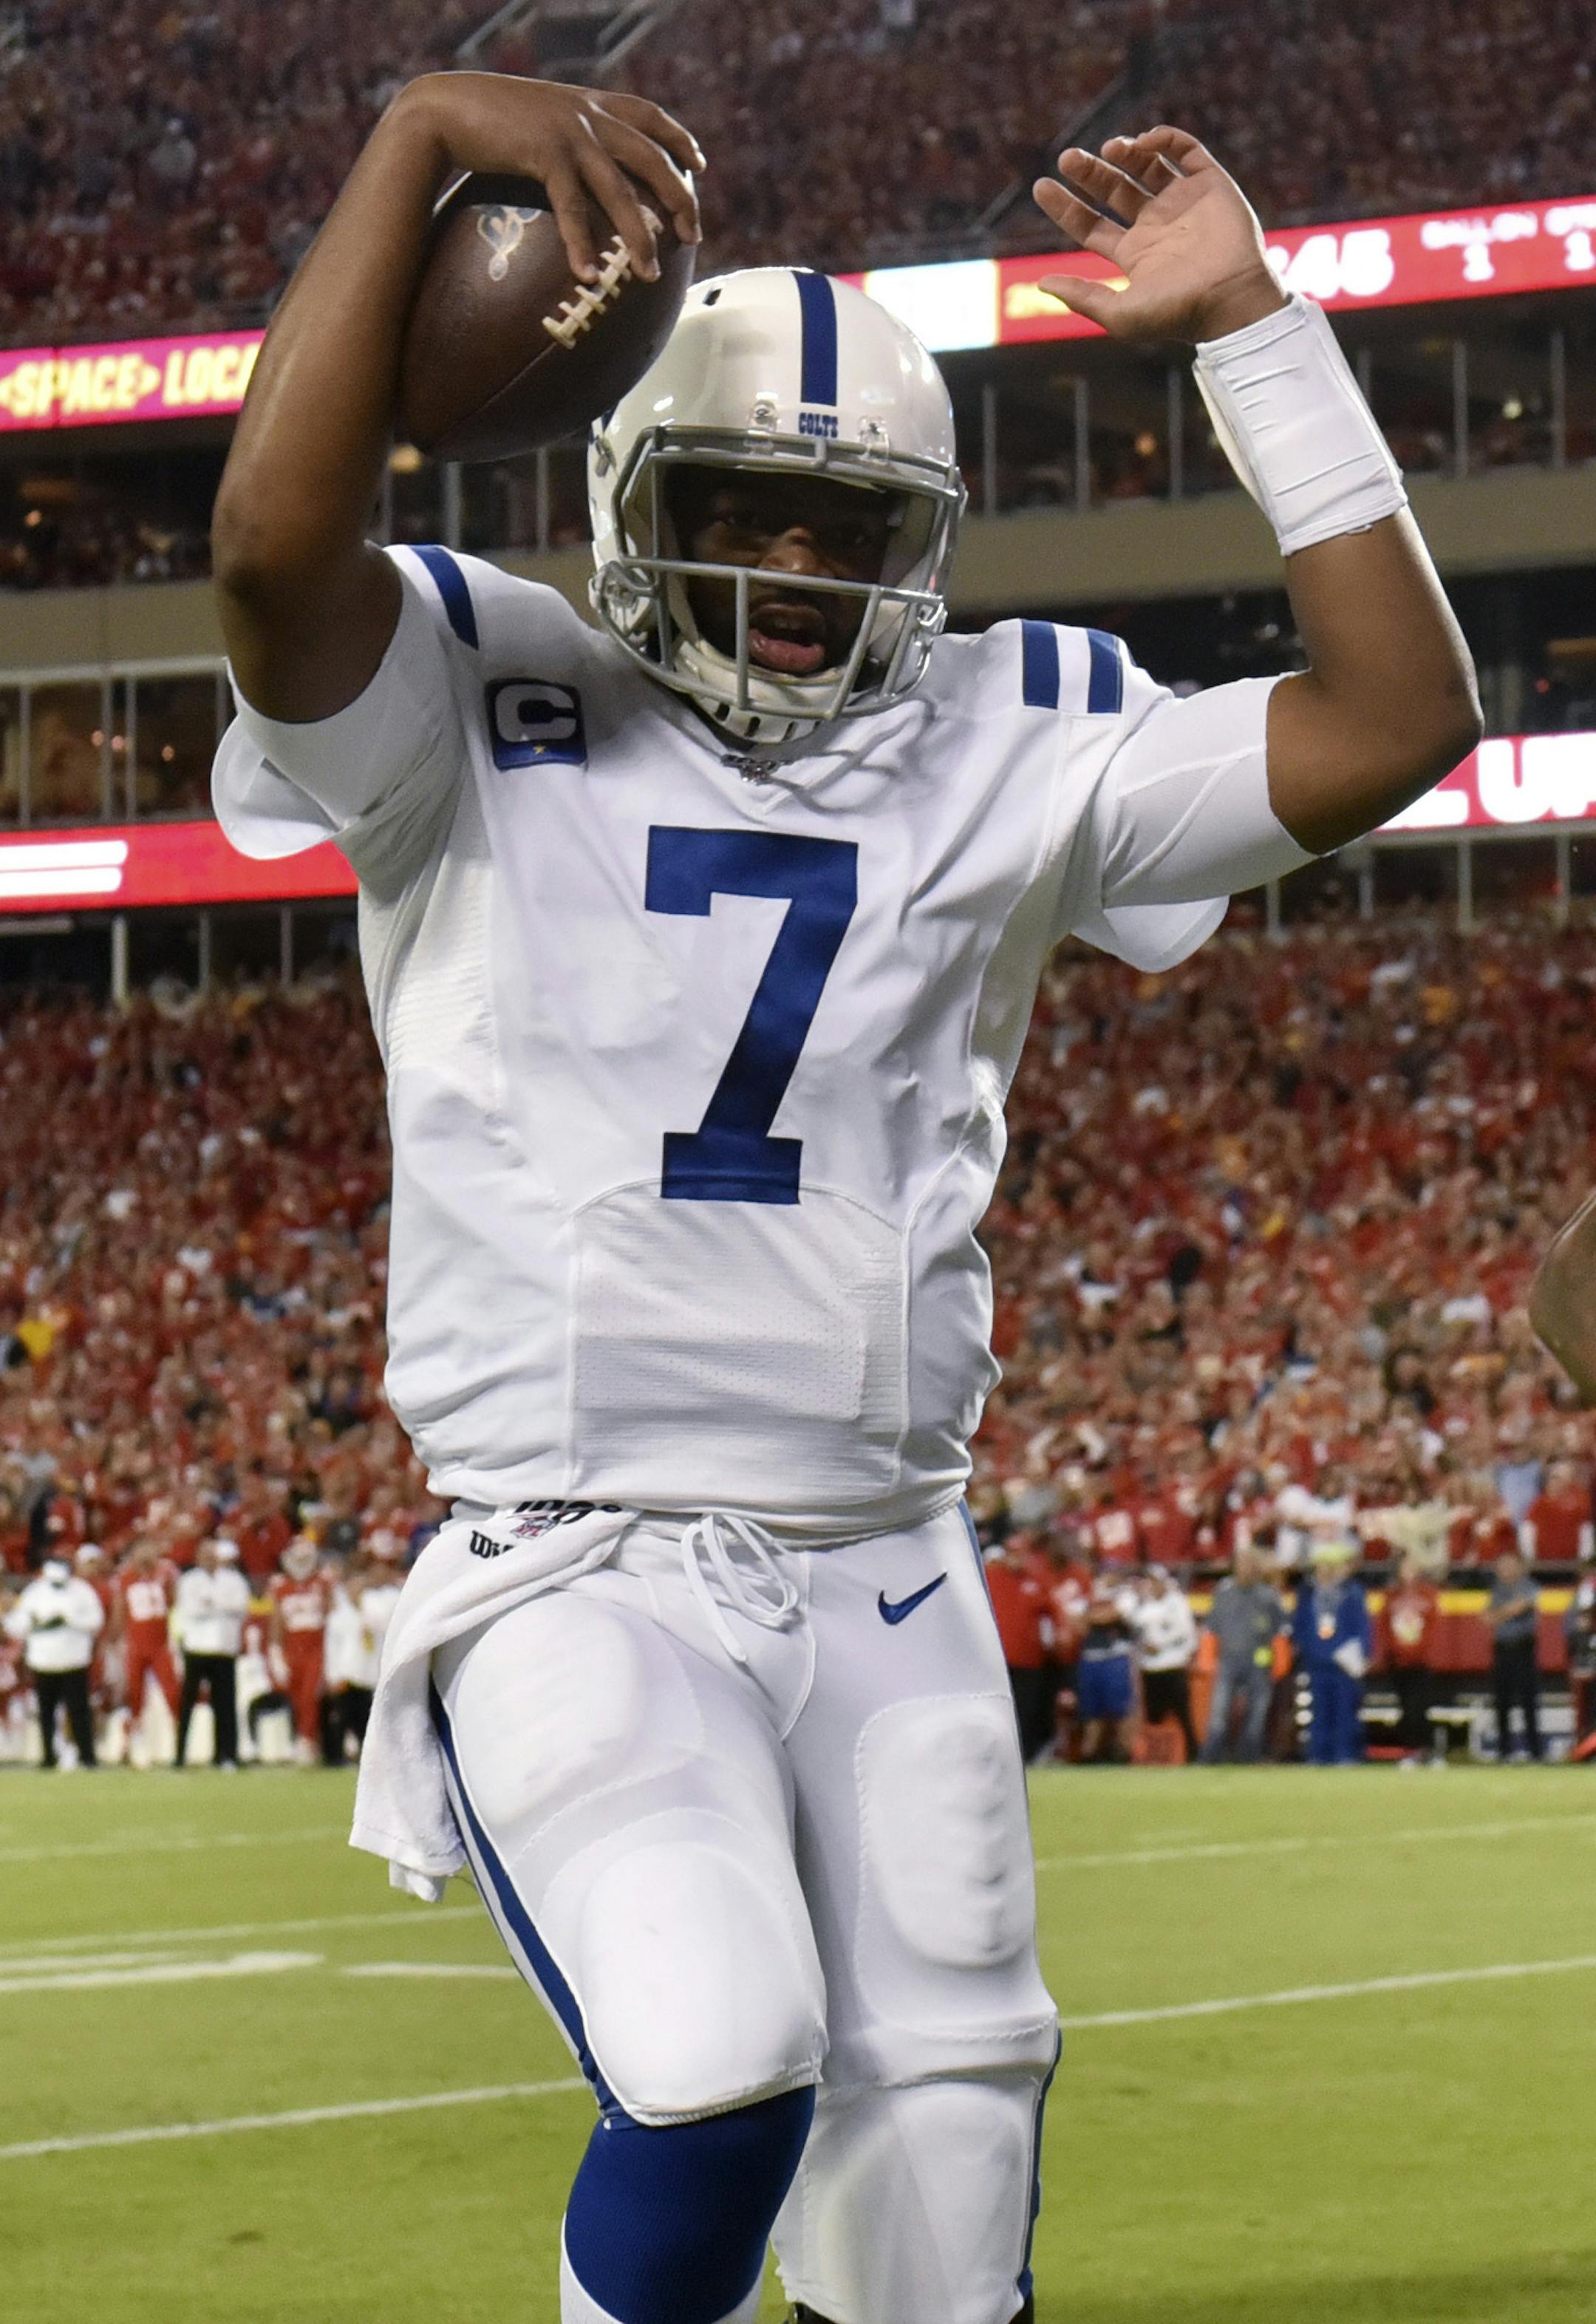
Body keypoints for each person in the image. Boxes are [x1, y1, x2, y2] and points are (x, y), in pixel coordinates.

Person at [208, 61, 1477, 2324]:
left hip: (888, 1563)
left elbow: (1391, 722)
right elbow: (268, 555)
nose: (793, 574)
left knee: (952, 2160)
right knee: (713, 2048)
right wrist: (407, 140)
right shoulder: (478, 698)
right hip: (580, 1547)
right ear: (625, 498)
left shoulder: (1013, 728)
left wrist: (1257, 338)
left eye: (852, 528)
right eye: (737, 507)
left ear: (931, 547)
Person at [4, 1554, 103, 1768]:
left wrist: (69, 1619)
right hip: (43, 1662)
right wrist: (36, 1622)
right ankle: (49, 1756)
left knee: (79, 1711)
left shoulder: (82, 1591)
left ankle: (87, 1757)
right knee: (46, 1713)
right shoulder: (34, 1593)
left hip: (74, 1661)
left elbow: (96, 1619)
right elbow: (16, 1624)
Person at [1201, 1545, 1285, 1764]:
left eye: (1250, 1565)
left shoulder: (1268, 1597)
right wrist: (1208, 1659)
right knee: (1219, 1714)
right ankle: (1211, 1757)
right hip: (1228, 1660)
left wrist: (1280, 1663)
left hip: (1259, 1662)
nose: (1245, 1569)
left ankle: (1249, 1757)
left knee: (1257, 1715)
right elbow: (1212, 1629)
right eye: (1242, 1564)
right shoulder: (1224, 1592)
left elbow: (1279, 1633)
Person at [1292, 1539, 1373, 1766]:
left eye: (1329, 1566)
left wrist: (1365, 1654)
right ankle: (1318, 1755)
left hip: (1344, 1663)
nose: (1325, 1571)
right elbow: (1301, 1625)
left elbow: (1362, 1625)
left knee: (1345, 1711)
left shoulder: (1351, 1593)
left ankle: (1345, 1754)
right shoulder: (1308, 1594)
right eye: (1321, 1566)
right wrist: (1303, 1649)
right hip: (1318, 1661)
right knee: (1319, 1711)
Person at [173, 1537, 250, 1768]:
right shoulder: (189, 1580)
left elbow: (241, 1607)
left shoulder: (234, 1579)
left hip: (224, 1648)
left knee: (225, 1703)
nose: (208, 1559)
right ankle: (180, 1755)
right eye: (204, 1555)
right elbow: (191, 1609)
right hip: (196, 1648)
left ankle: (226, 1755)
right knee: (187, 1703)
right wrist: (221, 1606)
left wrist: (212, 1604)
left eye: (212, 1555)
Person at [984, 1532, 1054, 1761]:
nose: (1016, 1559)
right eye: (1012, 1554)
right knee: (996, 1712)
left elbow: (1051, 1613)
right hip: (997, 1659)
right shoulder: (991, 1576)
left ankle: (1024, 1757)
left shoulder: (1036, 1580)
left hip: (1029, 1659)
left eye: (1020, 1554)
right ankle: (995, 1756)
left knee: (1026, 1712)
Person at [269, 1536, 333, 1764]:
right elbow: (277, 1621)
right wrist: (275, 1650)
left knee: (310, 1695)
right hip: (292, 1645)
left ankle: (306, 1740)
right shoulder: (281, 1586)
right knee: (296, 1695)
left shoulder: (322, 1583)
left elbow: (330, 1615)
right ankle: (302, 1738)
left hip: (315, 1644)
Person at [1377, 1551, 1445, 1763]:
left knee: (1420, 1707)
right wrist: (1393, 1653)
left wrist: (1422, 1652)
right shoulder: (1391, 1596)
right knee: (1406, 1708)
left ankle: (1428, 1751)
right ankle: (1410, 1751)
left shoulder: (1428, 1595)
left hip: (1421, 1661)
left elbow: (1434, 1628)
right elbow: (1384, 1628)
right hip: (1398, 1661)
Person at [1130, 1565, 1198, 1761]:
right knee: (1154, 1718)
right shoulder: (1144, 1605)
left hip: (1173, 1665)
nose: (1153, 1586)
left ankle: (1193, 1755)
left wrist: (1160, 1644)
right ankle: (1156, 1757)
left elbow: (1185, 1633)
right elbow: (1137, 1629)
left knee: (1182, 1714)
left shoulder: (1177, 1603)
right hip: (1150, 1667)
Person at [1485, 1546, 1543, 1763]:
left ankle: (1535, 1751)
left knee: (1529, 1701)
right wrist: (1506, 1612)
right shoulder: (1496, 1590)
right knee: (1502, 1701)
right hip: (1502, 1650)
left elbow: (1521, 1607)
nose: (1506, 1569)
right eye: (1502, 1565)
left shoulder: (1528, 1586)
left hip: (1523, 1648)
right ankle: (1504, 1751)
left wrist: (1501, 1614)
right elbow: (1487, 1619)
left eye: (1510, 1564)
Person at [1075, 1576, 1139, 1764]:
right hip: (1091, 1659)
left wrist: (1093, 1615)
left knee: (1122, 1711)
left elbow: (1111, 1615)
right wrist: (1094, 1615)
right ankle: (1091, 1754)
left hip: (1115, 1659)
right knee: (1092, 1712)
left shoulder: (1126, 1595)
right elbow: (1077, 1624)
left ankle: (1123, 1753)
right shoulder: (1088, 1597)